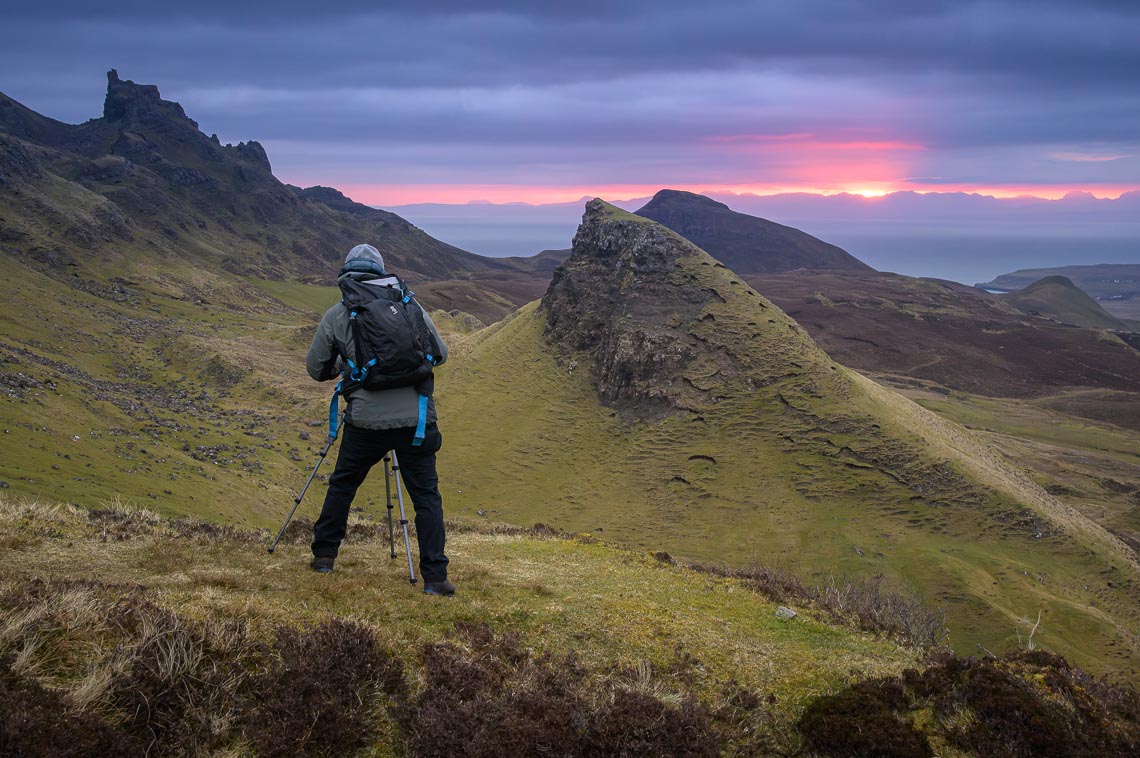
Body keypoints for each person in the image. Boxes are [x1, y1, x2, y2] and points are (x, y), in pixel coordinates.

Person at [305, 244, 454, 595]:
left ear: (347, 274)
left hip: (366, 422)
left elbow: (316, 369)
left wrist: (350, 367)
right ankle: (436, 578)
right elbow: (440, 354)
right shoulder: (407, 305)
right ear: (382, 272)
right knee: (427, 496)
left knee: (343, 484)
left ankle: (324, 556)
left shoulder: (339, 313)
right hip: (415, 422)